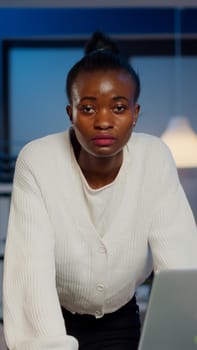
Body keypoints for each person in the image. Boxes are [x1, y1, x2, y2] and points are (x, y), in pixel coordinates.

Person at [3, 31, 197, 350]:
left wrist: (180, 332)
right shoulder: (36, 161)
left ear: (135, 115)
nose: (103, 122)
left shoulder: (155, 157)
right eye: (89, 109)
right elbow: (30, 270)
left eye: (118, 108)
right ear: (71, 114)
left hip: (121, 320)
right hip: (55, 317)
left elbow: (180, 262)